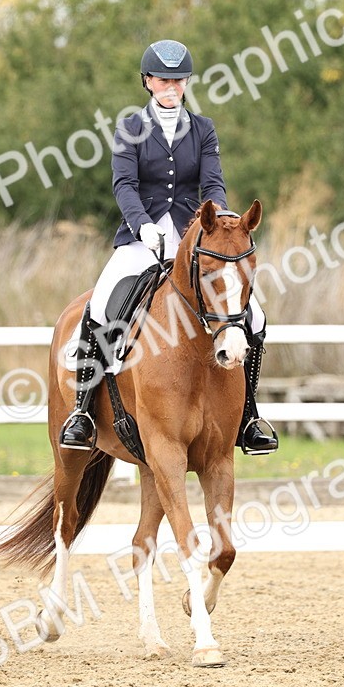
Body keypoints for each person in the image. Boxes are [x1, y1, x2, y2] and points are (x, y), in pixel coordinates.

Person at [58, 39, 278, 456]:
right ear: (147, 81)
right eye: (163, 79)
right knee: (104, 302)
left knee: (256, 314)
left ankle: (249, 415)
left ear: (187, 82)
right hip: (141, 239)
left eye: (178, 80)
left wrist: (223, 221)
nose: (171, 86)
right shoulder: (130, 128)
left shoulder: (203, 129)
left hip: (195, 241)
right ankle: (83, 412)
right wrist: (141, 225)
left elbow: (211, 183)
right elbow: (124, 184)